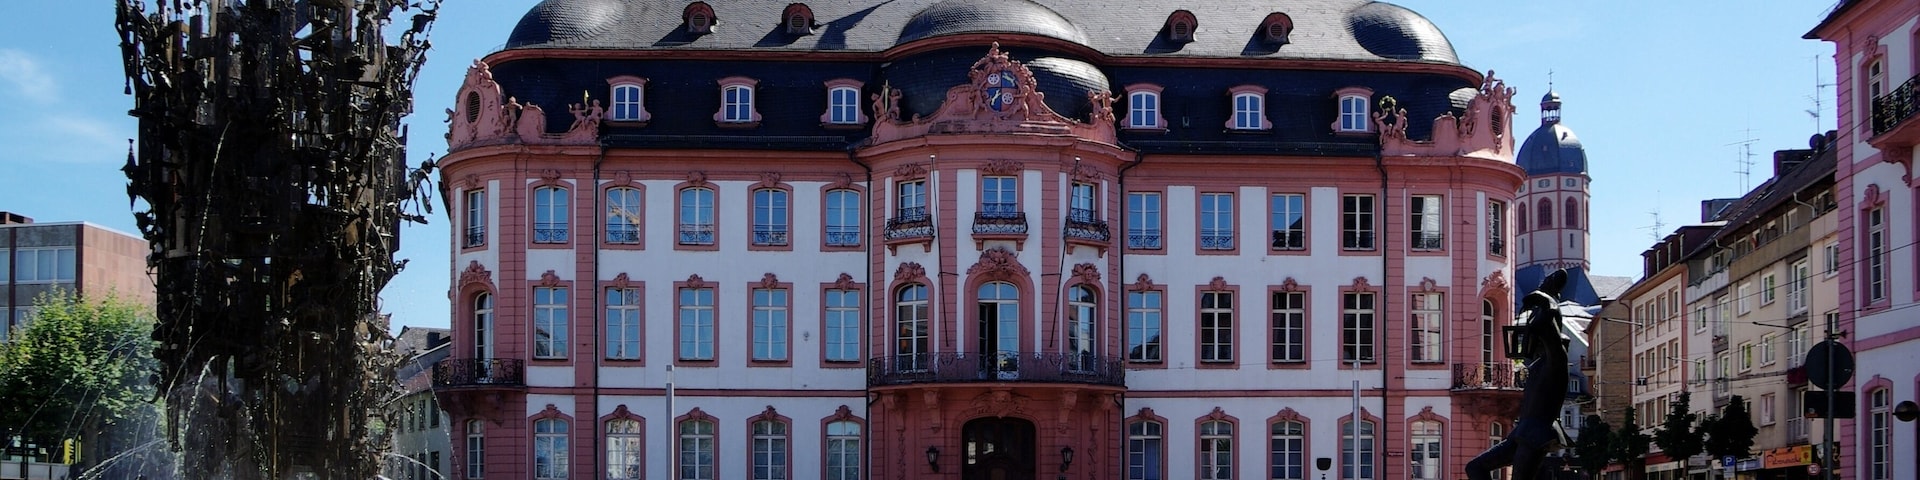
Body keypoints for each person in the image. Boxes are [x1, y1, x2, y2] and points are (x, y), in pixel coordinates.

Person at [1467, 269, 1572, 480]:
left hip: (1535, 435)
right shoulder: (1537, 366)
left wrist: (1546, 299)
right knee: (1475, 468)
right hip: (1522, 432)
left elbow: (1549, 329)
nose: (1526, 341)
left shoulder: (1556, 362)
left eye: (1532, 335)